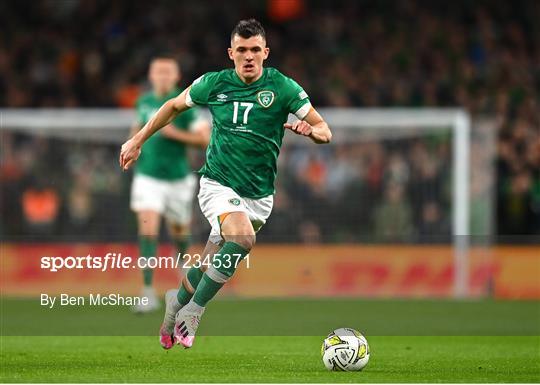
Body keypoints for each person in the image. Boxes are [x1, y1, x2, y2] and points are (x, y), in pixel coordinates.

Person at [120, 19, 332, 347]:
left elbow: (324, 130)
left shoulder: (284, 88)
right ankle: (193, 312)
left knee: (208, 263)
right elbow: (173, 106)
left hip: (259, 196)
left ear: (266, 52)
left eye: (255, 50)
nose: (249, 57)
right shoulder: (214, 84)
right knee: (243, 238)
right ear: (231, 53)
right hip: (217, 183)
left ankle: (176, 302)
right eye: (242, 50)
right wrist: (138, 139)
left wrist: (311, 132)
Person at [129, 55, 210, 312]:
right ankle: (147, 291)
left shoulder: (187, 103)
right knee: (148, 228)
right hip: (147, 177)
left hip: (178, 178)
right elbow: (137, 129)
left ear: (175, 77)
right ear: (151, 76)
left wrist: (175, 134)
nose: (162, 76)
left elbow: (204, 139)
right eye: (158, 72)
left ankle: (183, 275)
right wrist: (133, 144)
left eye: (167, 72)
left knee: (179, 232)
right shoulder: (143, 102)